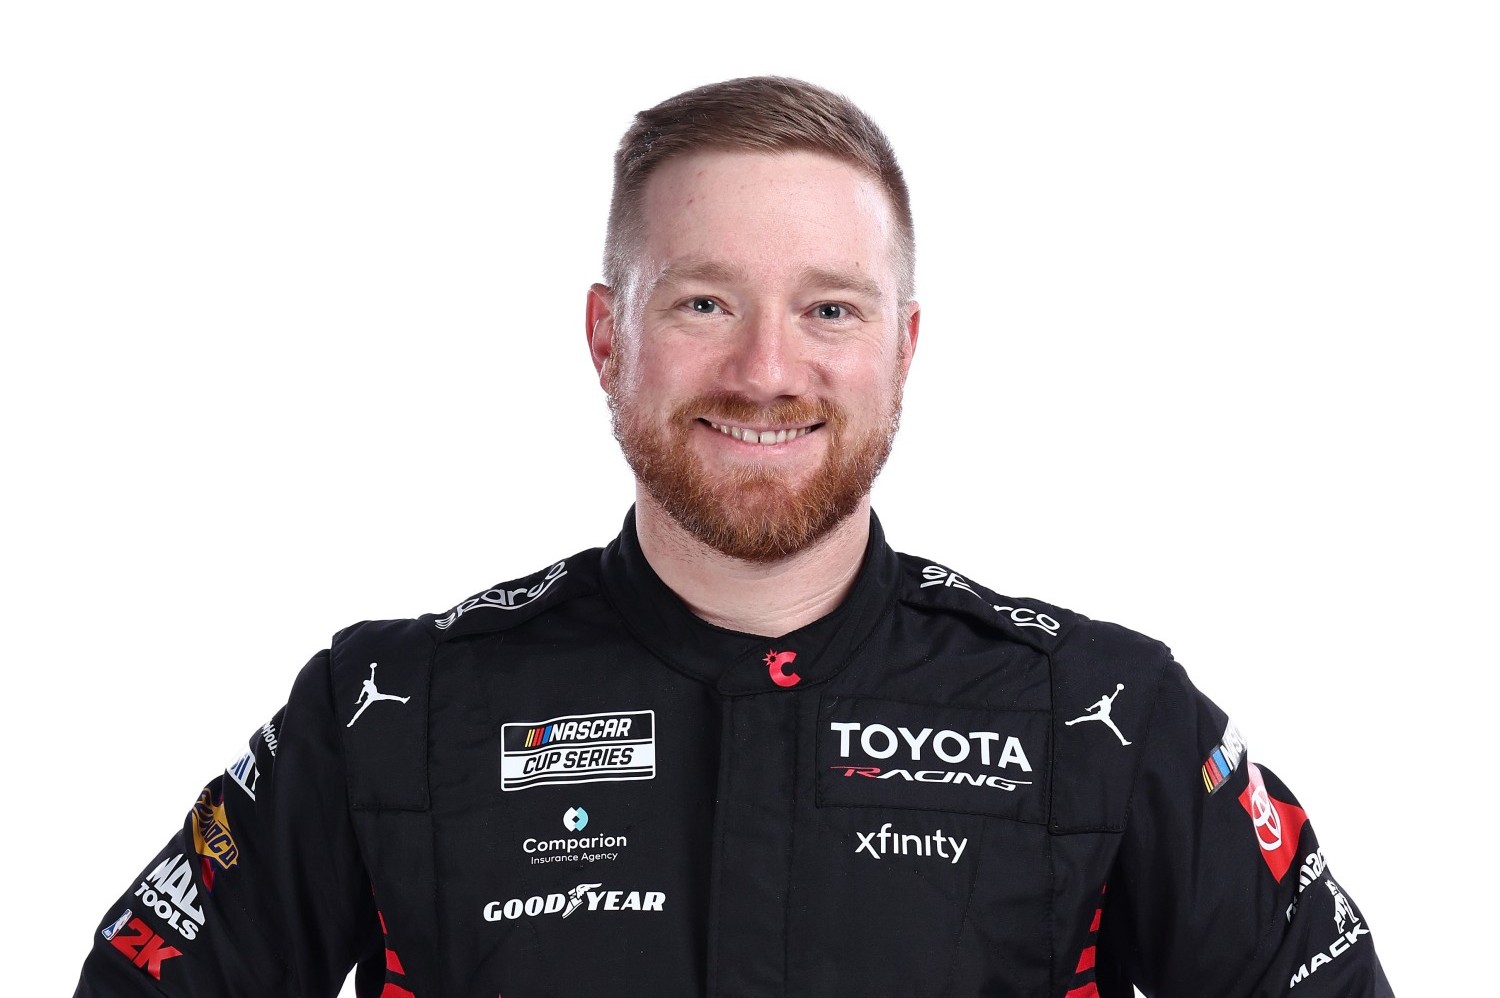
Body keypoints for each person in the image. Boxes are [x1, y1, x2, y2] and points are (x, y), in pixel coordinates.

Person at [74, 76, 1393, 997]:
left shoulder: (1100, 714)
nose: (767, 371)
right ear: (608, 337)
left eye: (830, 310)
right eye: (704, 302)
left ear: (904, 348)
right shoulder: (390, 710)